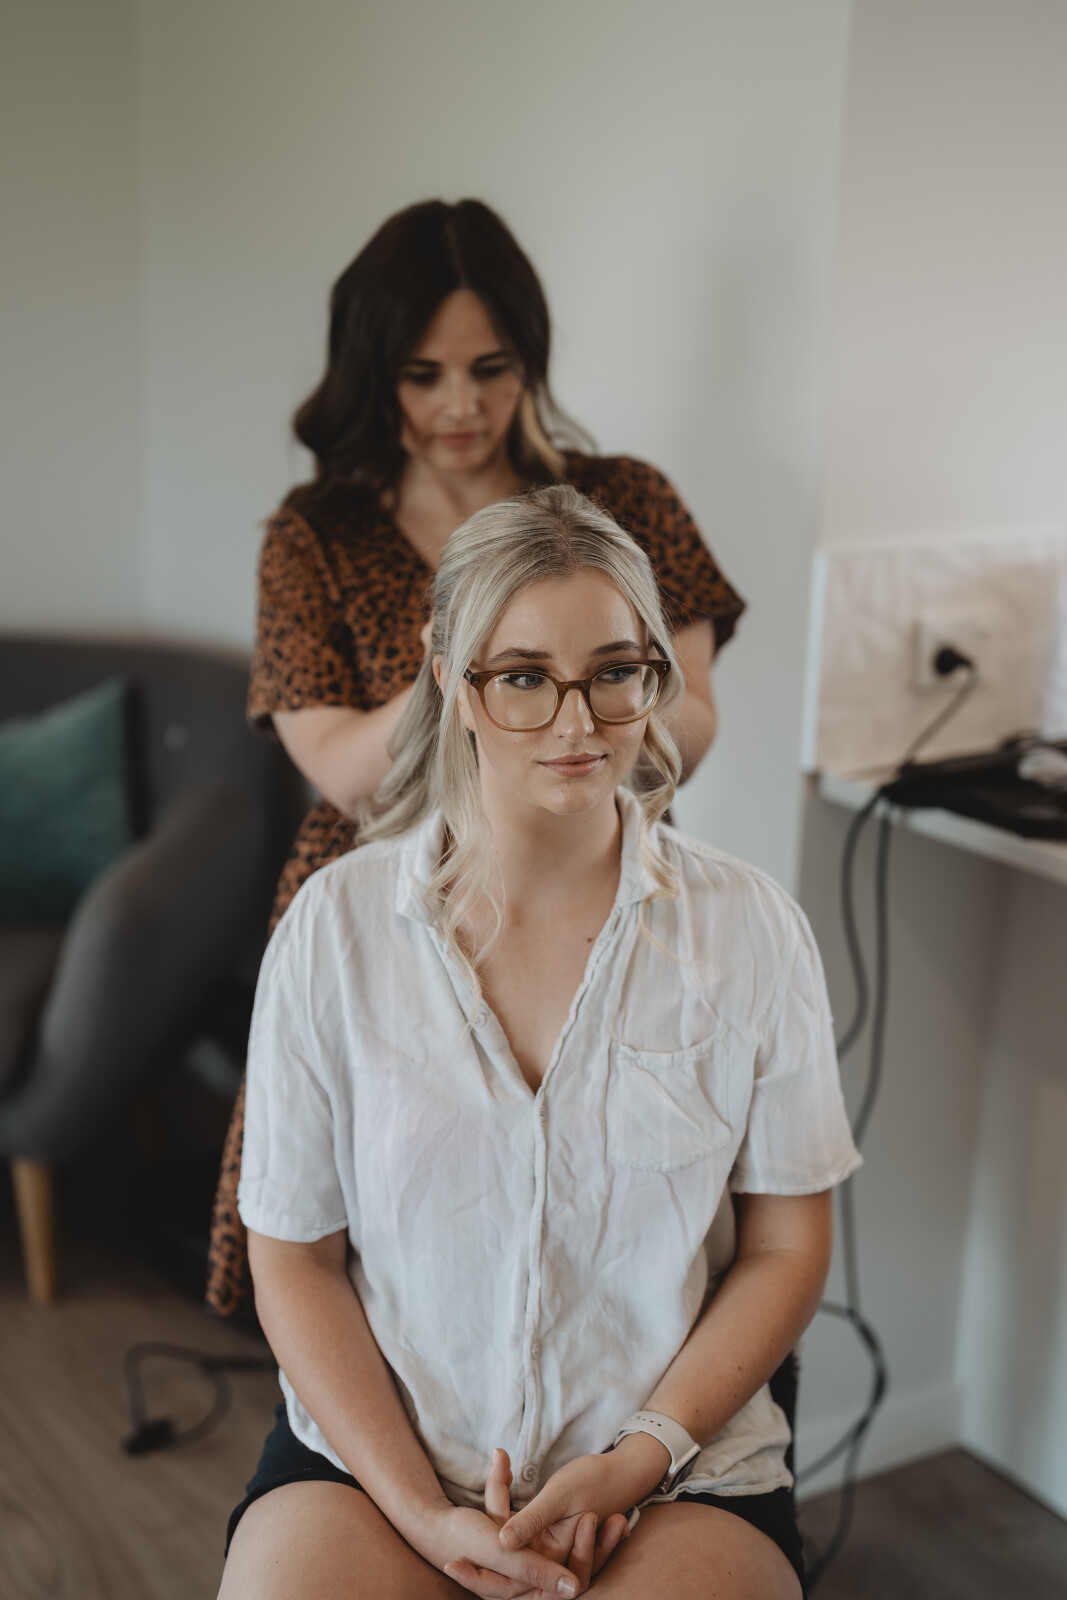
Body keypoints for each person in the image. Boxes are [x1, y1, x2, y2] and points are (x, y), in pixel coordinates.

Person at [217, 487, 860, 1600]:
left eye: (614, 672)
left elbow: (784, 1246)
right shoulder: (333, 929)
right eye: (522, 677)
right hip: (380, 1467)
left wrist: (639, 1456)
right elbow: (293, 1258)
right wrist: (423, 1513)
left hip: (672, 1470)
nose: (578, 725)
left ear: (654, 673)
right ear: (448, 679)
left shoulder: (751, 931)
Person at [206, 198, 746, 1317]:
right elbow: (341, 768)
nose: (462, 405)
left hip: (595, 881)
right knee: (371, 1242)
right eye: (423, 375)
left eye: (491, 368)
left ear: (528, 359)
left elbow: (688, 719)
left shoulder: (625, 501)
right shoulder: (314, 535)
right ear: (373, 374)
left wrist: (566, 708)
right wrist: (487, 640)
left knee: (616, 1230)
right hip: (386, 908)